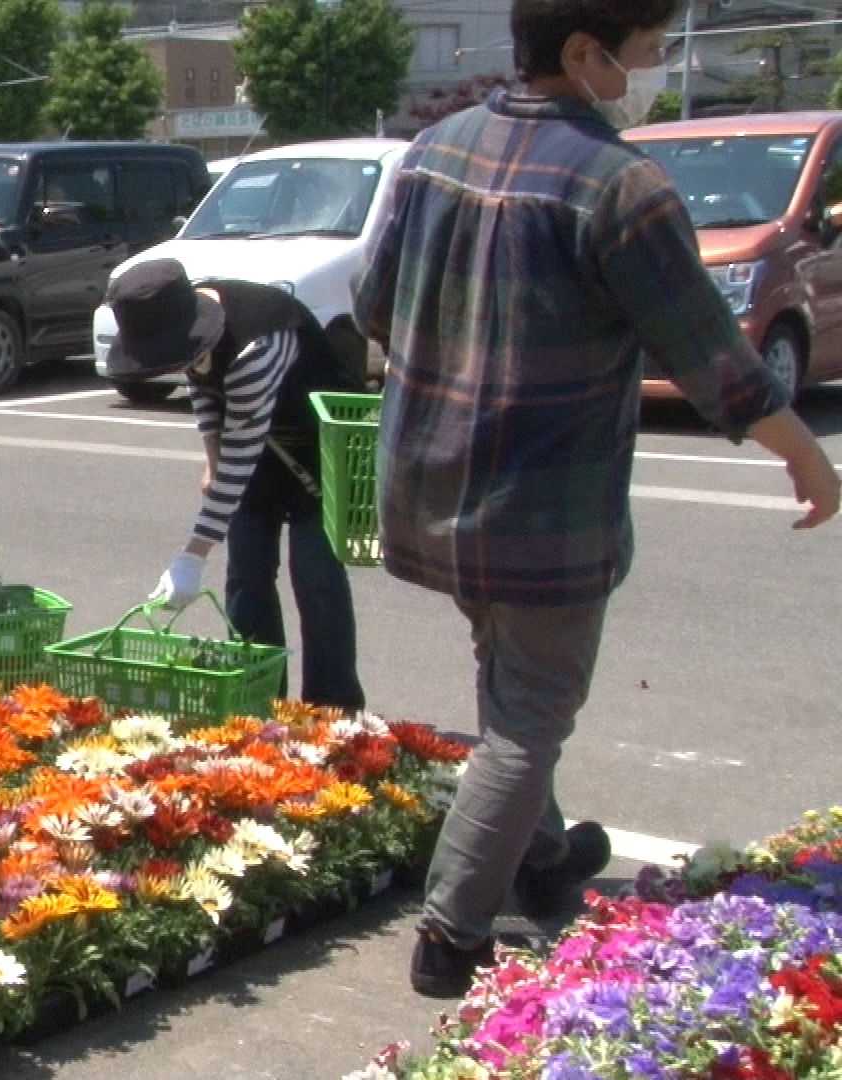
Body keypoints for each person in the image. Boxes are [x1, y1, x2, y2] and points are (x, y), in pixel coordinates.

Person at [353, 0, 840, 999]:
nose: (654, 70)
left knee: (507, 682)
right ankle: (451, 934)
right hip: (544, 512)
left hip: (428, 486)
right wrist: (806, 454)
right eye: (650, 52)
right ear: (585, 54)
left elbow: (371, 300)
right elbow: (711, 355)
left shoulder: (434, 151)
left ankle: (538, 859)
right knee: (531, 714)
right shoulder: (621, 187)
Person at [111, 260, 366, 711]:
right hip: (257, 443)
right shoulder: (186, 321)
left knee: (316, 574)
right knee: (247, 574)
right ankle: (260, 700)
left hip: (318, 445)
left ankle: (332, 711)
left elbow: (240, 460)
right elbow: (204, 388)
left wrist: (191, 557)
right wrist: (211, 456)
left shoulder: (256, 344)